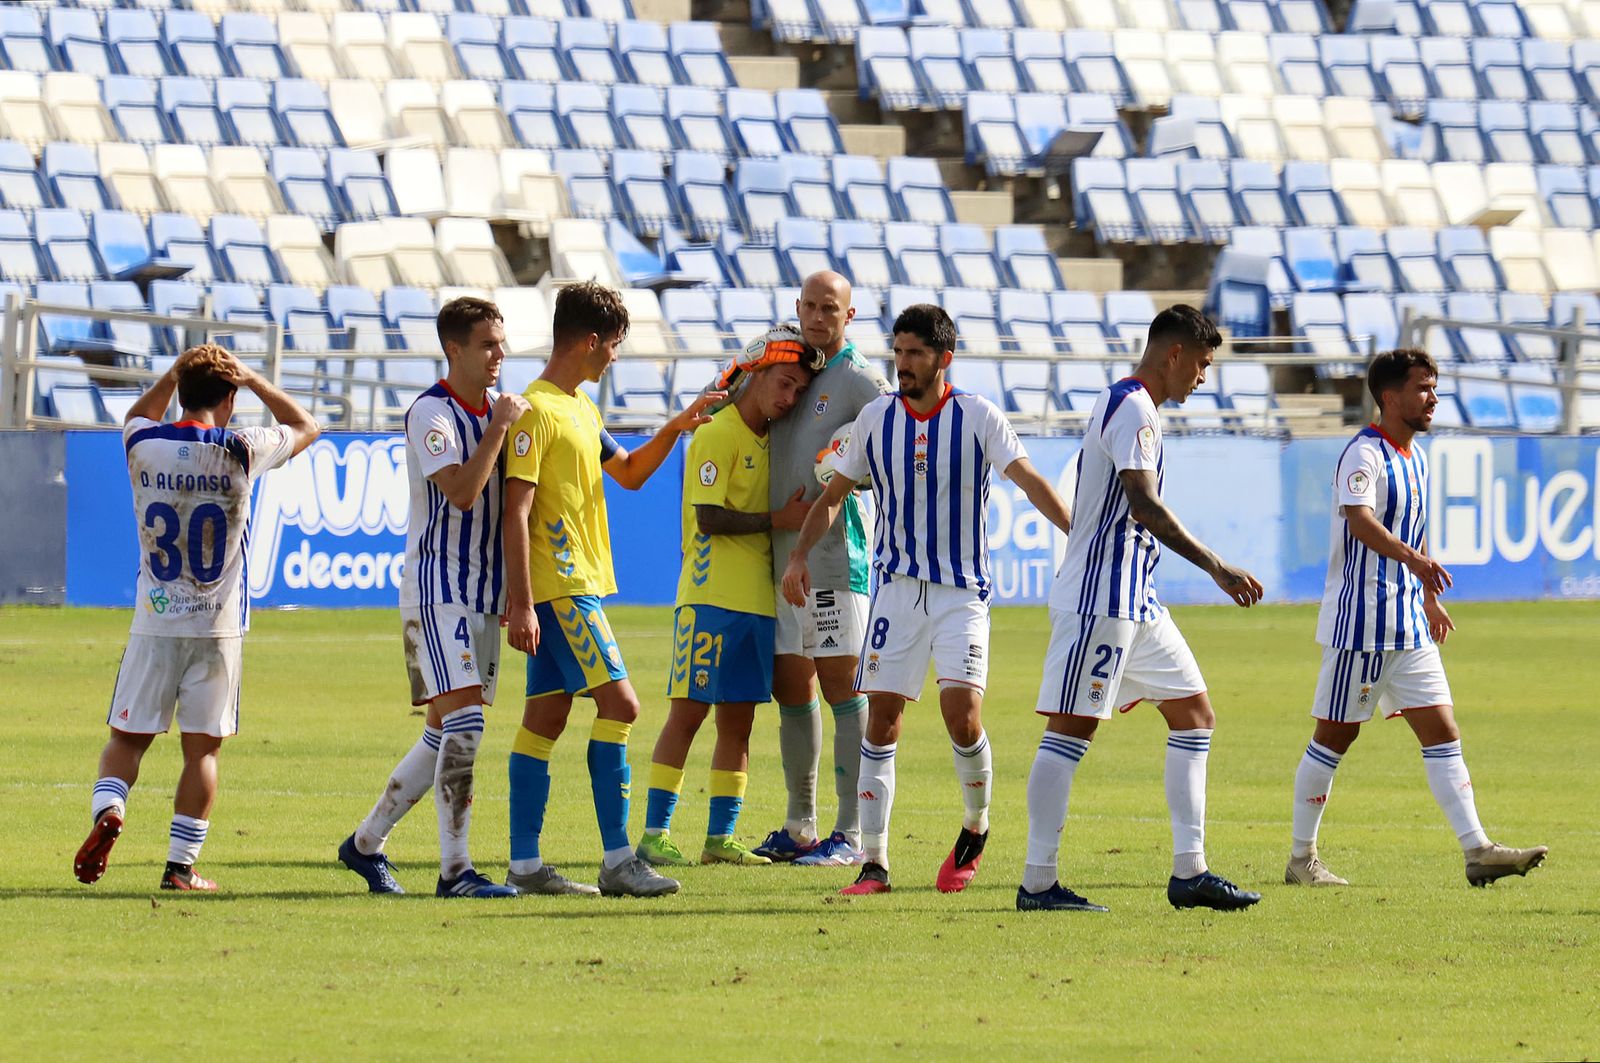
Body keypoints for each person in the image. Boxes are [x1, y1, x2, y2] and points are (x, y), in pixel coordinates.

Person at [781, 304, 1074, 896]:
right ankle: (876, 863)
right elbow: (833, 494)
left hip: (961, 593)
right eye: (898, 351)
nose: (903, 364)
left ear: (944, 358)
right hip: (896, 593)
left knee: (961, 716)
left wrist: (1081, 534)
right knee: (882, 721)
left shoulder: (978, 417)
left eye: (915, 353)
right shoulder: (873, 420)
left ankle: (976, 825)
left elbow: (1030, 481)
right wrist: (797, 557)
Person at [1019, 305, 1264, 914]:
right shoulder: (1133, 408)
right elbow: (1144, 507)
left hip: (1136, 599)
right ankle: (1037, 883)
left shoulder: (1133, 407)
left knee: (1194, 714)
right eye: (1201, 365)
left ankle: (1190, 872)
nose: (1203, 378)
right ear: (1174, 354)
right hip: (1101, 597)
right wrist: (1216, 566)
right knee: (1071, 729)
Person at [1286, 347, 1547, 888]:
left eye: (1434, 388)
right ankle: (1300, 859)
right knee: (1335, 738)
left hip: (1408, 622)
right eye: (1422, 388)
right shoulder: (1364, 454)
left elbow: (1415, 528)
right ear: (1389, 396)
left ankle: (1478, 850)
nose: (1433, 398)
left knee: (1443, 730)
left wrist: (1427, 594)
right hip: (1361, 626)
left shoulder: (1417, 458)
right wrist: (1413, 559)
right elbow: (1359, 520)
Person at [501, 281, 722, 898]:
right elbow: (515, 510)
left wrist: (676, 426)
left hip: (573, 586)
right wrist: (520, 602)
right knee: (622, 707)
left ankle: (524, 866)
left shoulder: (581, 408)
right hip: (563, 588)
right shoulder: (537, 411)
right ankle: (619, 860)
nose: (616, 359)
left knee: (544, 718)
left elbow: (627, 474)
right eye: (615, 346)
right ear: (592, 341)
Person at [74, 344, 318, 892]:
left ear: (180, 389)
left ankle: (109, 810)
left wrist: (176, 370)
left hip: (155, 622)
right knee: (202, 749)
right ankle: (180, 869)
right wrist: (253, 378)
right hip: (217, 626)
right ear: (229, 398)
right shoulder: (241, 447)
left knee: (128, 739)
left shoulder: (143, 441)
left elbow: (139, 413)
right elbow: (306, 425)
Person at [338, 297, 530, 899]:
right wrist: (499, 427)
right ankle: (456, 873)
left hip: (479, 595)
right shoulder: (431, 412)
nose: (500, 355)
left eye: (502, 343)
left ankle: (364, 845)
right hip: (435, 590)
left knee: (442, 731)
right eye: (488, 345)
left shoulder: (496, 410)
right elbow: (464, 493)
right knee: (467, 723)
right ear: (454, 349)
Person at [637, 349, 819, 868]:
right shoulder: (716, 432)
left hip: (757, 605)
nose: (788, 399)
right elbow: (711, 519)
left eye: (797, 392)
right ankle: (654, 832)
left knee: (738, 724)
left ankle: (720, 838)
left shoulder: (771, 440)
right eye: (783, 384)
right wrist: (781, 518)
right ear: (757, 375)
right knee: (687, 715)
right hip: (709, 598)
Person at [755, 271, 891, 867]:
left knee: (841, 686)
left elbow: (894, 439)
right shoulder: (794, 367)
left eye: (828, 308)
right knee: (792, 685)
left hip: (836, 557)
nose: (817, 316)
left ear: (849, 314)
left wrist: (851, 473)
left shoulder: (861, 379)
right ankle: (800, 824)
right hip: (783, 557)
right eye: (808, 306)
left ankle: (850, 831)